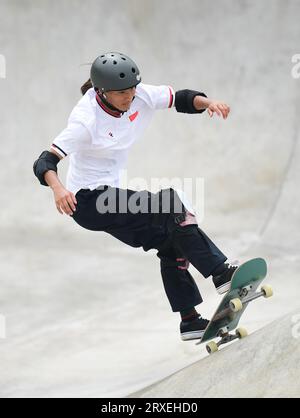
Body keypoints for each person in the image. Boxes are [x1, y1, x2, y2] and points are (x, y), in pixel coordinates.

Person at [33, 52, 237, 341]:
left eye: (131, 90)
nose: (129, 97)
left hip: (109, 197)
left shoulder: (140, 94)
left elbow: (180, 98)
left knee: (172, 240)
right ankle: (220, 272)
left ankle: (189, 321)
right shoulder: (85, 119)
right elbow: (44, 161)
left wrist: (209, 103)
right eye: (121, 93)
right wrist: (58, 189)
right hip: (89, 201)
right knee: (170, 205)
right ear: (102, 92)